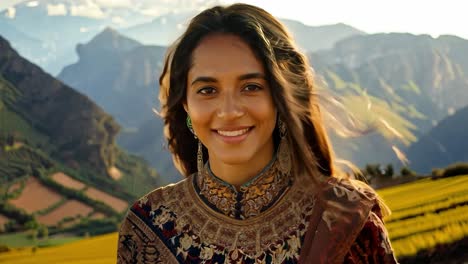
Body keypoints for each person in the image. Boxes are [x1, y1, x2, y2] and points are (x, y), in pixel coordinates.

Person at [117, 3, 398, 263]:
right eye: (207, 90)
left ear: (282, 97)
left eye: (251, 86)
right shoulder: (148, 227)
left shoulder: (346, 221)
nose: (228, 111)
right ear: (186, 106)